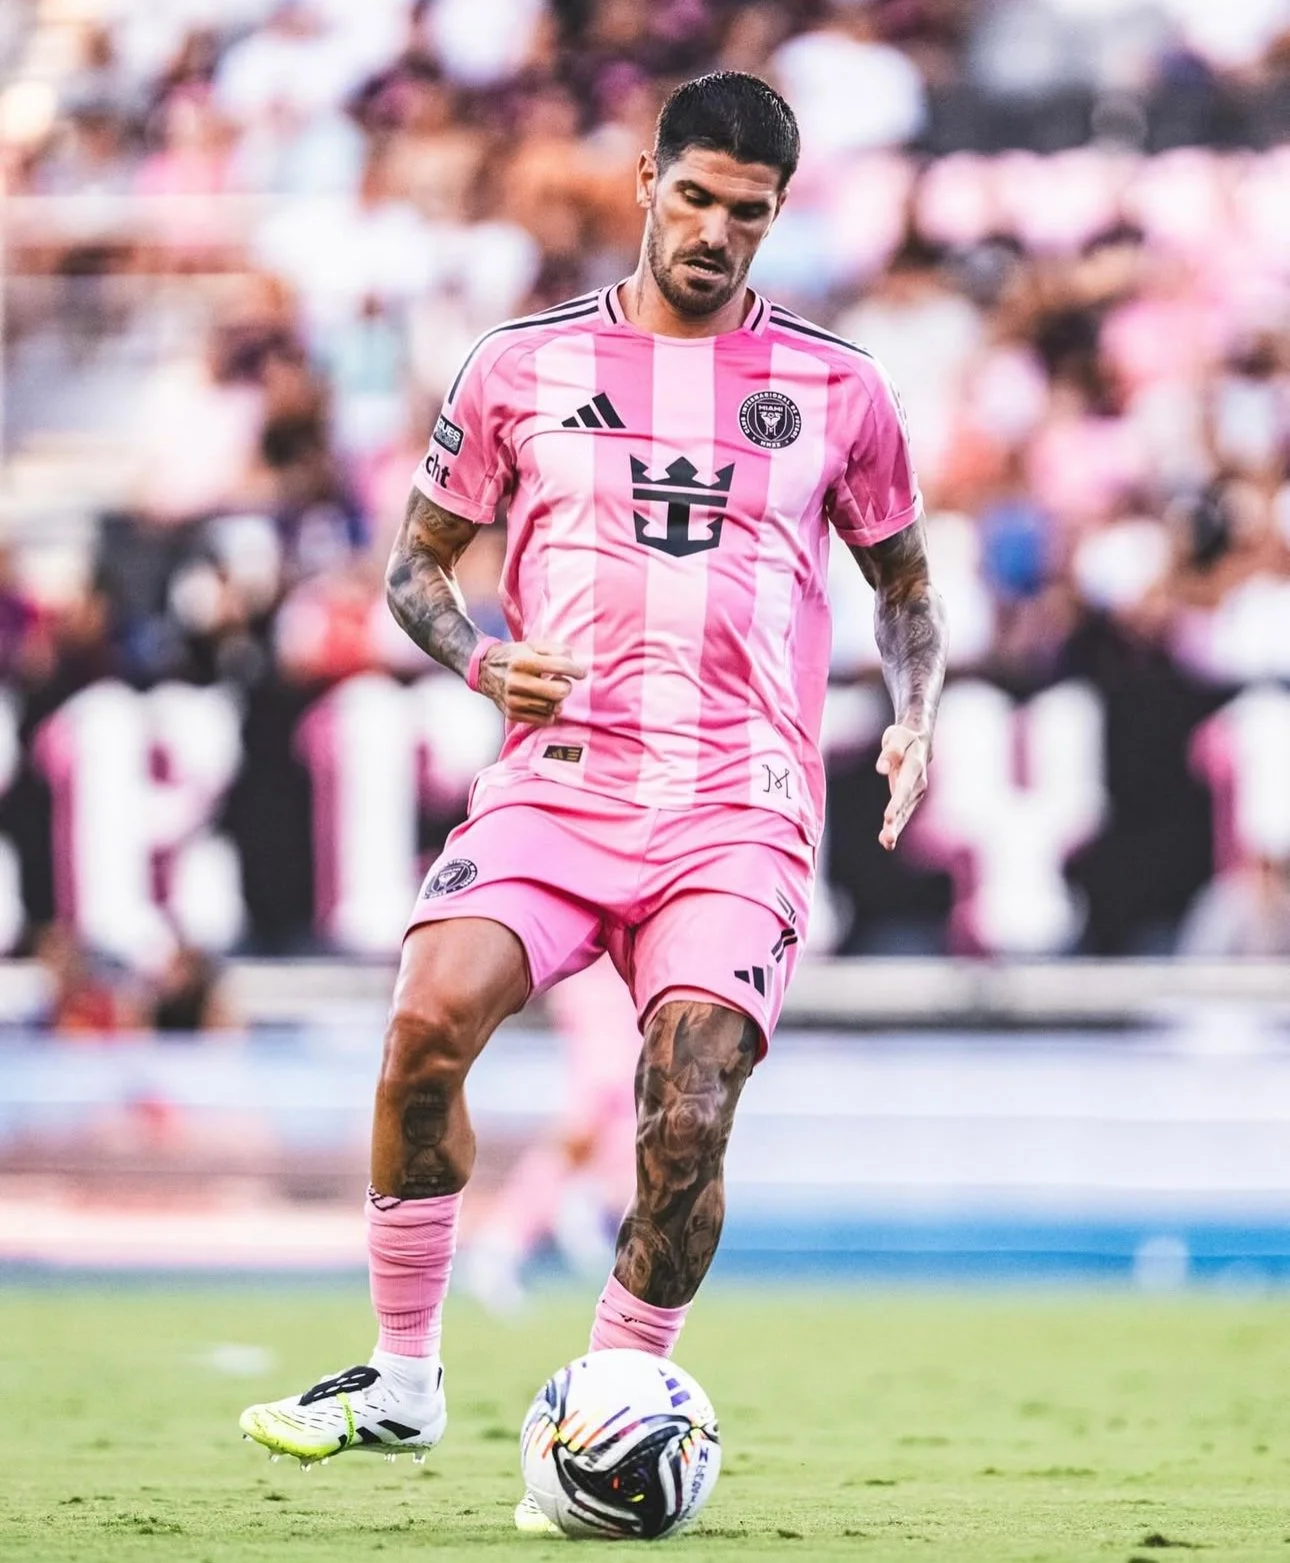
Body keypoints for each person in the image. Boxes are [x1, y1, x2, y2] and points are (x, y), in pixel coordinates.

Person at [239, 71, 947, 1531]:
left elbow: (906, 598)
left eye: (744, 214)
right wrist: (487, 664)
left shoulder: (838, 388)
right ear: (644, 180)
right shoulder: (518, 366)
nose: (712, 233)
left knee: (686, 1109)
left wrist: (916, 717)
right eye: (692, 198)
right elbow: (416, 571)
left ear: (775, 218)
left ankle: (613, 1403)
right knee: (428, 1017)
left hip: (734, 802)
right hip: (558, 789)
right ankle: (401, 1375)